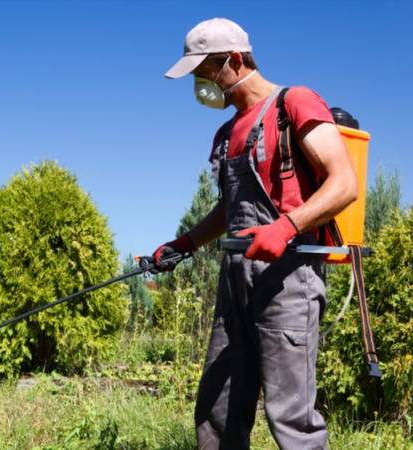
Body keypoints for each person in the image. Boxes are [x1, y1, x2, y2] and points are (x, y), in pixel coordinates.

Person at [151, 18, 358, 450]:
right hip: (235, 279)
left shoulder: (294, 103)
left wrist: (286, 227)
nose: (201, 82)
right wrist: (184, 244)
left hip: (288, 276)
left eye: (205, 70)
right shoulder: (227, 134)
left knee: (290, 416)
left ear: (235, 60)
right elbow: (230, 209)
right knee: (218, 410)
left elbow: (343, 184)